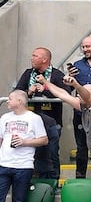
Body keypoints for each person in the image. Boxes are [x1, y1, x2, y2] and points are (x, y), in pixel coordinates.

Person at [40, 73, 91, 191]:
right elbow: (62, 95)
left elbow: (88, 97)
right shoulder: (84, 108)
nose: (78, 95)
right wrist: (46, 82)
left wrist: (76, 85)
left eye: (80, 93)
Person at [0, 91, 48, 202]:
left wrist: (24, 142)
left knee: (19, 201)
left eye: (10, 98)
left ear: (20, 101)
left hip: (23, 165)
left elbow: (44, 139)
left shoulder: (34, 118)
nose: (7, 101)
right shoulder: (4, 118)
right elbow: (1, 138)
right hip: (3, 163)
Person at [15, 47, 68, 179]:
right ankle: (32, 183)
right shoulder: (28, 74)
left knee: (52, 153)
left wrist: (45, 89)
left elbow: (65, 93)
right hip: (30, 121)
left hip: (52, 122)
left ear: (45, 59)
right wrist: (29, 92)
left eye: (35, 56)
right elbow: (17, 92)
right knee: (32, 153)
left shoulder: (56, 75)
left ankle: (53, 184)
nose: (31, 58)